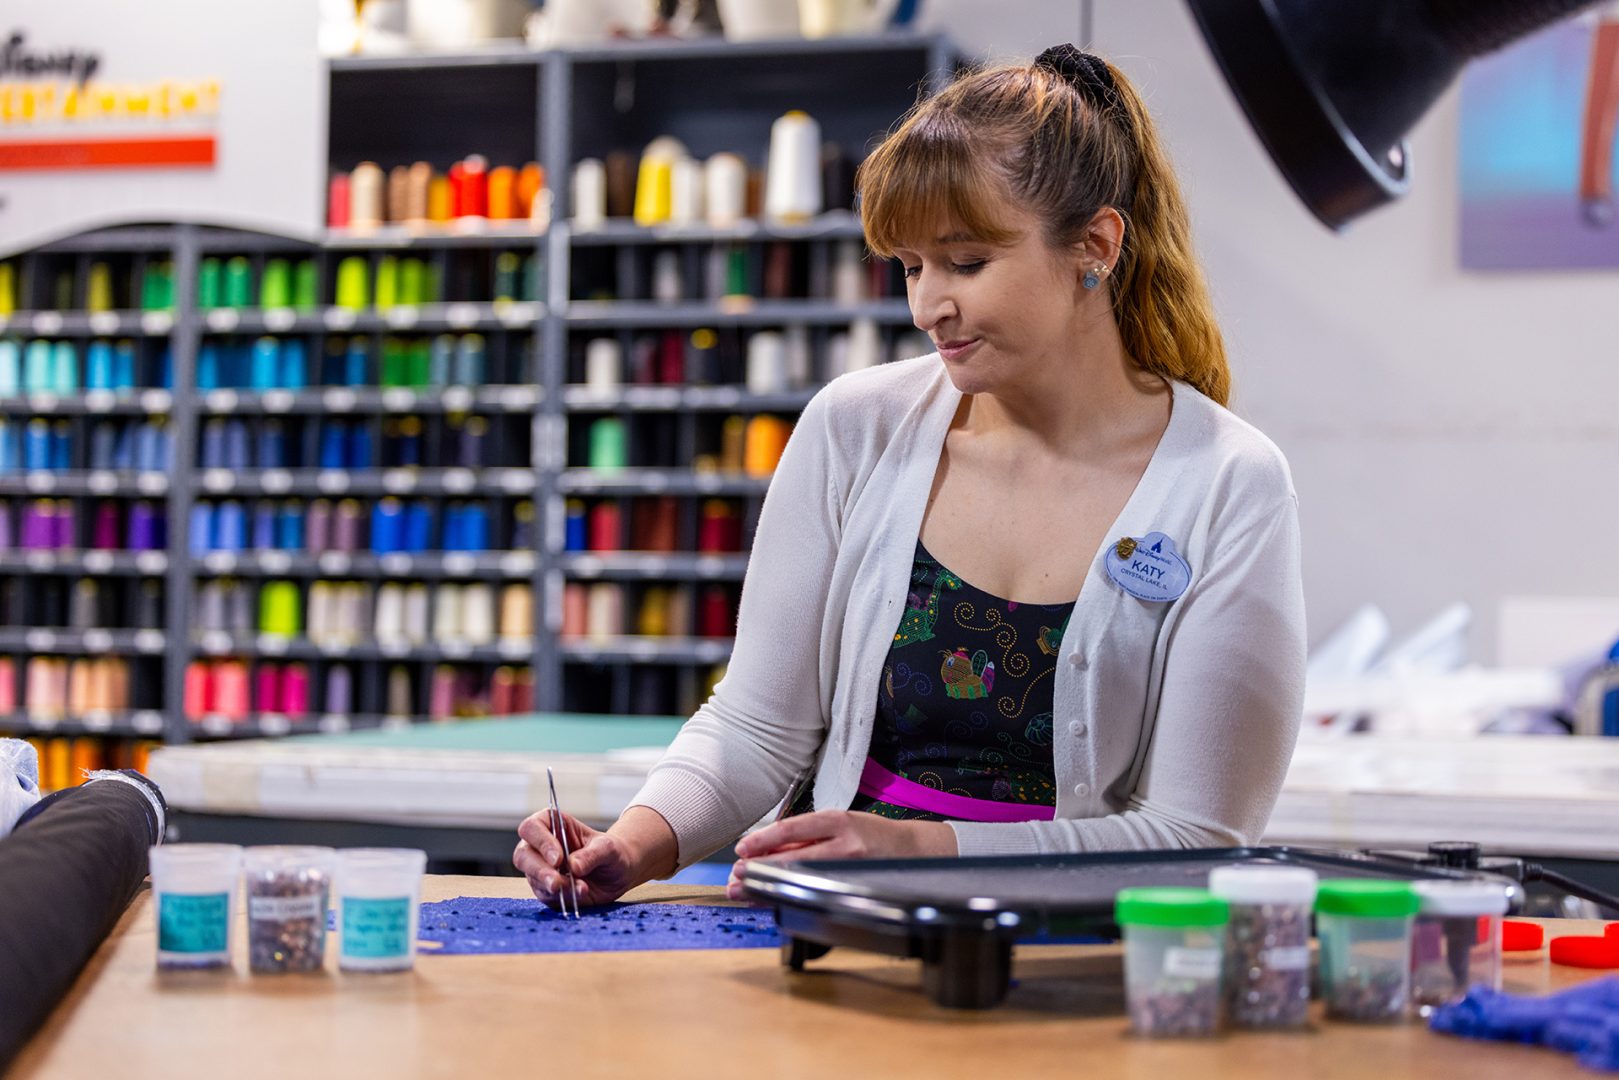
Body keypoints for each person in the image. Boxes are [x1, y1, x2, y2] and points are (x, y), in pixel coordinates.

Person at [514, 44, 1306, 906]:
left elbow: (1193, 840)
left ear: (1095, 245)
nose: (929, 306)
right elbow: (755, 728)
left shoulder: (1227, 484)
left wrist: (923, 850)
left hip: (1066, 973)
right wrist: (633, 844)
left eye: (966, 263)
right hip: (835, 933)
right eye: (911, 267)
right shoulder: (855, 430)